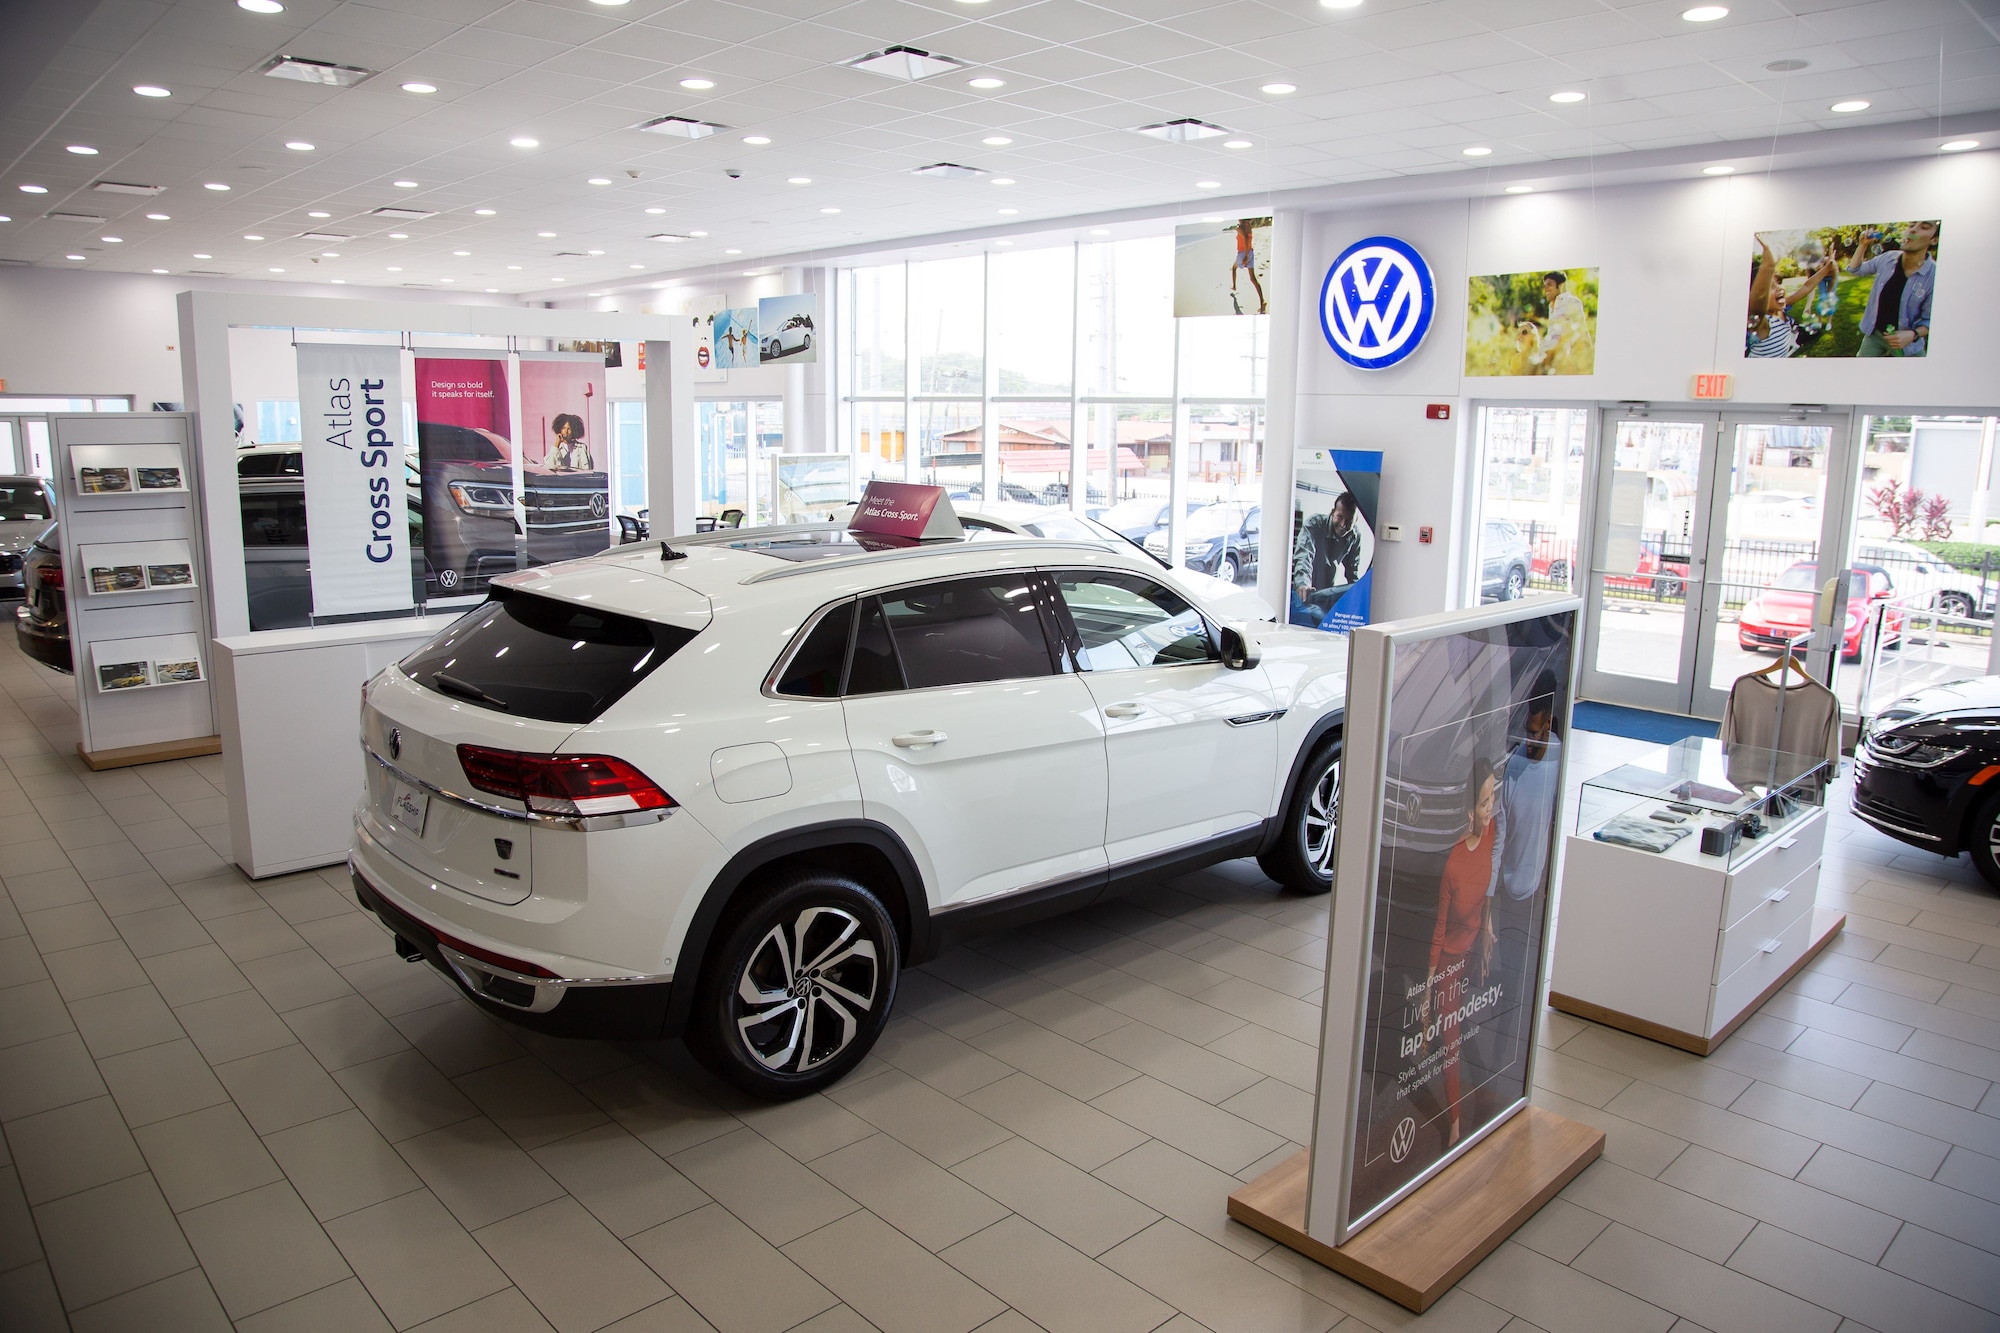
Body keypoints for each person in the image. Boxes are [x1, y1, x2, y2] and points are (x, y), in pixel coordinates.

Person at [1478, 671, 1563, 1086]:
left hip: (1538, 886)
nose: (1530, 743)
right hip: (1511, 890)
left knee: (1520, 977)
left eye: (1536, 733)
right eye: (1526, 733)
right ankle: (1495, 1062)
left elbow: (1552, 823)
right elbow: (1499, 841)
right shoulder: (1512, 769)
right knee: (1504, 976)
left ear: (1548, 722)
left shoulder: (1560, 762)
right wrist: (1488, 906)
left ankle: (1507, 1061)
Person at [1416, 756, 1498, 1149]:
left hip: (1472, 954)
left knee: (1475, 1026)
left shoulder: (1493, 831)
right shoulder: (1454, 863)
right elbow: (1438, 931)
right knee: (1452, 1042)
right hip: (1450, 960)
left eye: (1493, 799)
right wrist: (1428, 994)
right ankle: (1454, 1124)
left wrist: (1488, 929)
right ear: (1470, 812)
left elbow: (1490, 881)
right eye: (1485, 803)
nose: (1491, 808)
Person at [1847, 221, 1937, 357]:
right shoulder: (1888, 258)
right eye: (1911, 226)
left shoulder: (1934, 275)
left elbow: (1930, 319)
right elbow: (1855, 269)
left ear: (1934, 240)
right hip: (1875, 335)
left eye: (1924, 227)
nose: (1912, 230)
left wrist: (1913, 335)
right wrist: (1862, 245)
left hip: (1908, 344)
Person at [1746, 237, 1837, 358]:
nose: (1779, 288)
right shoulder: (1763, 324)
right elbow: (1757, 305)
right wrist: (1768, 265)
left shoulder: (1781, 308)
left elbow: (1806, 287)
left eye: (1778, 283)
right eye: (1771, 288)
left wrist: (1827, 267)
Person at [1291, 492, 1362, 625]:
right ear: (1332, 512)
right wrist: (1303, 584)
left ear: (1356, 520)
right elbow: (1304, 556)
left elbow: (1352, 571)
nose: (1343, 524)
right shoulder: (1315, 523)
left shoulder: (1355, 536)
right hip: (1303, 586)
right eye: (1339, 517)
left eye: (1349, 520)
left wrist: (1357, 596)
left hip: (1326, 589)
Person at [1528, 272, 1591, 374]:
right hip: (1546, 358)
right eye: (1545, 286)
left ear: (1560, 285)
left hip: (1562, 359)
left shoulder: (1572, 302)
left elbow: (1582, 331)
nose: (1546, 289)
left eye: (1550, 285)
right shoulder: (1551, 306)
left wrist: (1588, 359)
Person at [1231, 219, 1267, 315]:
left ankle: (1234, 286)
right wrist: (1248, 254)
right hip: (1250, 252)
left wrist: (1245, 256)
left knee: (1234, 268)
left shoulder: (1239, 228)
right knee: (1253, 278)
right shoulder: (1248, 226)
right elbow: (1248, 238)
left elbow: (1246, 238)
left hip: (1243, 253)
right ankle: (1262, 302)